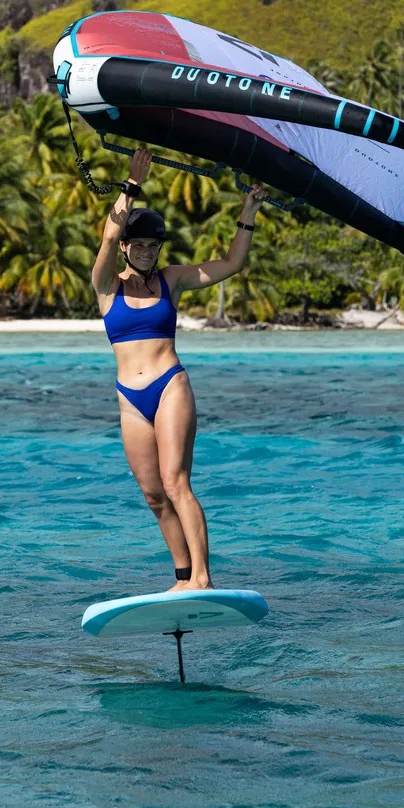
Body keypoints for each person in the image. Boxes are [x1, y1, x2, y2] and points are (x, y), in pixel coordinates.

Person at [92, 147, 266, 591]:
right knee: (153, 496)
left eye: (154, 245)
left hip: (170, 386)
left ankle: (204, 579)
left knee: (175, 482)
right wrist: (130, 187)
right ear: (128, 248)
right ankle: (183, 577)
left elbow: (231, 264)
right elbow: (108, 239)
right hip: (130, 401)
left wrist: (248, 211)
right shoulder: (107, 286)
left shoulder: (172, 280)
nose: (148, 253)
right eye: (141, 245)